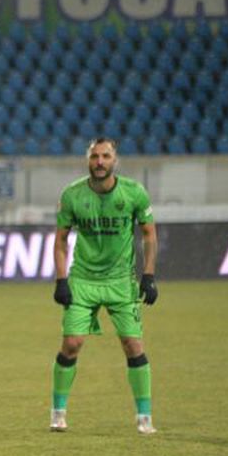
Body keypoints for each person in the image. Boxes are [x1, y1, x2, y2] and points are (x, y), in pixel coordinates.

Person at [50, 137, 159, 435]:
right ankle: (58, 412)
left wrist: (148, 275)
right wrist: (61, 280)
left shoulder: (134, 193)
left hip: (121, 282)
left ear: (115, 160)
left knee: (133, 345)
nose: (100, 162)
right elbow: (60, 241)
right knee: (72, 344)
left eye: (105, 156)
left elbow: (149, 235)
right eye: (95, 156)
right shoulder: (72, 195)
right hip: (83, 279)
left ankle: (144, 417)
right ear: (88, 160)